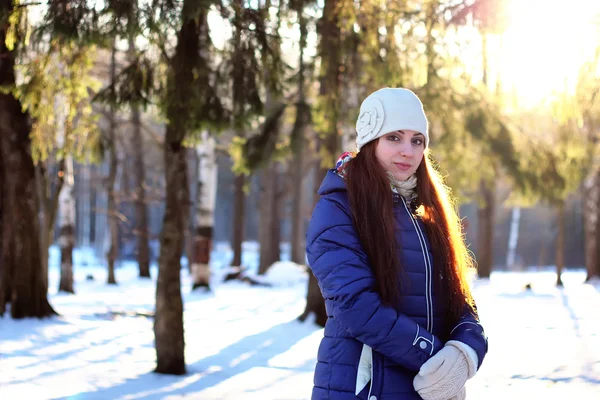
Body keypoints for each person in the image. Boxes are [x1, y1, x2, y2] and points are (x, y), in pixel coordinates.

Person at [305, 88, 488, 400]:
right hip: (363, 390)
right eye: (394, 137)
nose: (408, 150)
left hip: (427, 392)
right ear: (370, 141)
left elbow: (461, 301)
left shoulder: (429, 212)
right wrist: (434, 359)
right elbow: (356, 306)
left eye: (417, 140)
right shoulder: (340, 206)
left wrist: (465, 351)